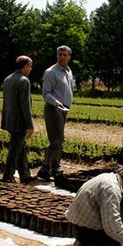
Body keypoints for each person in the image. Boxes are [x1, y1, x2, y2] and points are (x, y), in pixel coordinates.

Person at [37, 45, 75, 181]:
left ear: (69, 57)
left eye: (65, 55)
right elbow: (46, 93)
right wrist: (56, 102)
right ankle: (48, 167)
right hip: (54, 108)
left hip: (64, 109)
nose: (62, 57)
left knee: (57, 140)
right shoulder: (51, 72)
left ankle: (50, 168)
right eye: (60, 54)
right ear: (57, 56)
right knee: (57, 140)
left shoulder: (68, 71)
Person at [1, 55, 37, 183]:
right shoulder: (24, 81)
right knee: (14, 150)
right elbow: (25, 105)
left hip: (9, 119)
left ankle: (25, 175)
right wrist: (29, 125)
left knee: (20, 148)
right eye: (30, 66)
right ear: (26, 66)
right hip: (19, 121)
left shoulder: (8, 79)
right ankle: (7, 176)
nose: (31, 68)